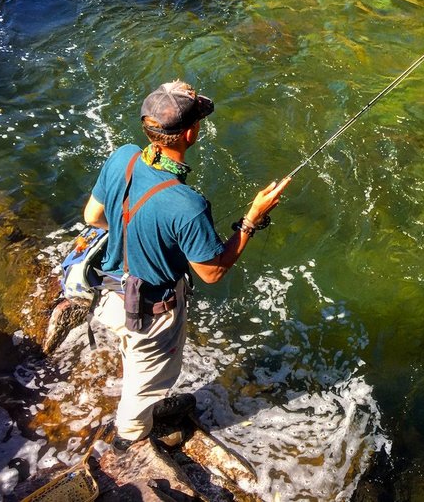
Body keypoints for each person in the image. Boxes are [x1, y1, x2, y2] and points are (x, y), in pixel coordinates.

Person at [82, 80, 290, 452]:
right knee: (144, 385)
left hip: (111, 291)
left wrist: (141, 234)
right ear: (191, 133)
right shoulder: (186, 205)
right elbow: (212, 272)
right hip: (149, 313)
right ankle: (129, 441)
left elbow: (92, 215)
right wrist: (251, 220)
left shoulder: (123, 156)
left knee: (137, 363)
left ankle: (143, 397)